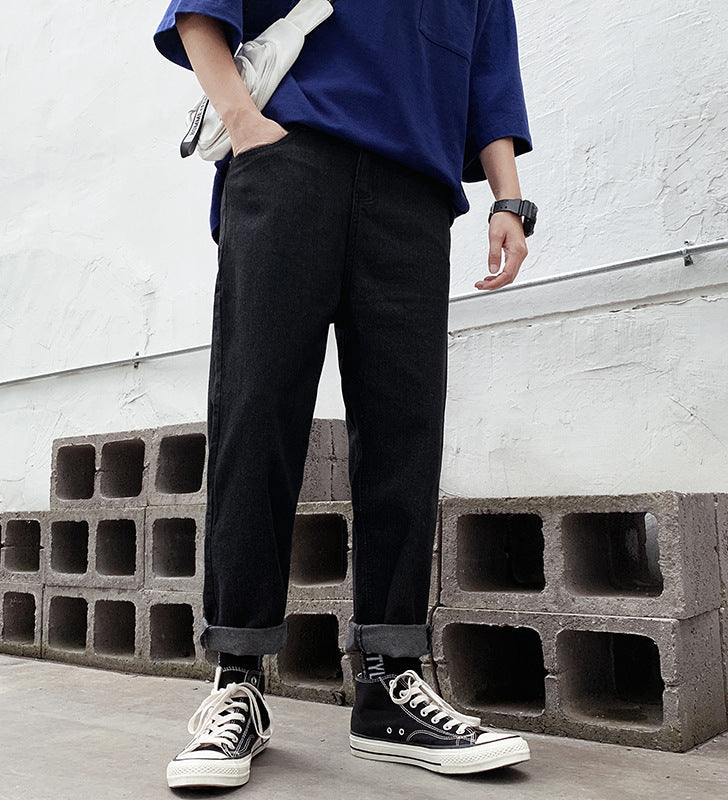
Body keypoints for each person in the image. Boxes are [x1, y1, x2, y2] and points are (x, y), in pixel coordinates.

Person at [153, 0, 537, 789]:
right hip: (292, 161)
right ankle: (237, 680)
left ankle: (391, 685)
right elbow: (200, 14)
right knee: (257, 418)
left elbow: (489, 79)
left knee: (405, 434)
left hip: (416, 193)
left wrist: (508, 199)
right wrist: (245, 125)